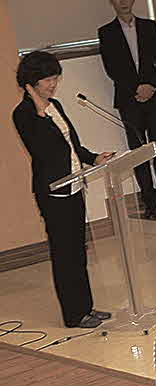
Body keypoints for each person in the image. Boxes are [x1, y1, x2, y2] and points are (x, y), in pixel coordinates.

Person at [12, 51, 114, 329]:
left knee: (78, 251)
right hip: (53, 193)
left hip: (74, 186)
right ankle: (73, 315)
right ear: (31, 82)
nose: (53, 84)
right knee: (64, 253)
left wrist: (93, 158)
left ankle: (86, 307)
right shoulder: (24, 115)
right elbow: (43, 149)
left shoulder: (55, 106)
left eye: (55, 78)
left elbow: (72, 146)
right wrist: (37, 106)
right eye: (47, 79)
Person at [98, 0, 156, 219]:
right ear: (111, 1)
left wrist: (150, 86)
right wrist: (137, 89)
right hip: (129, 101)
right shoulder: (106, 32)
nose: (123, 0)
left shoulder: (149, 26)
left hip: (154, 97)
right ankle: (150, 202)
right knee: (139, 152)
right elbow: (112, 68)